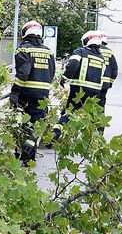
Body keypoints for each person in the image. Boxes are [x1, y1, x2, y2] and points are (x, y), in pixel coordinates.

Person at [10, 20, 55, 166]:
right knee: (37, 124)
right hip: (43, 94)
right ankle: (29, 158)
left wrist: (15, 92)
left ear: (24, 33)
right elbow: (52, 73)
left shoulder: (23, 50)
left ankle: (21, 152)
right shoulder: (48, 51)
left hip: (26, 93)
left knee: (23, 124)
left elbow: (23, 73)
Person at [52, 30, 105, 140]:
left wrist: (64, 78)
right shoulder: (101, 58)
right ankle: (96, 139)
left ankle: (56, 132)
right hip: (95, 92)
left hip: (79, 90)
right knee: (93, 116)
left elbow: (72, 65)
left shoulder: (80, 52)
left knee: (69, 112)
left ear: (86, 41)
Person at [97, 31, 118, 133]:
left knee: (88, 106)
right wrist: (110, 82)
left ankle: (88, 130)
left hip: (94, 84)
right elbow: (115, 70)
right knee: (100, 107)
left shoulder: (93, 51)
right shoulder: (110, 53)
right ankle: (99, 132)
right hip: (104, 86)